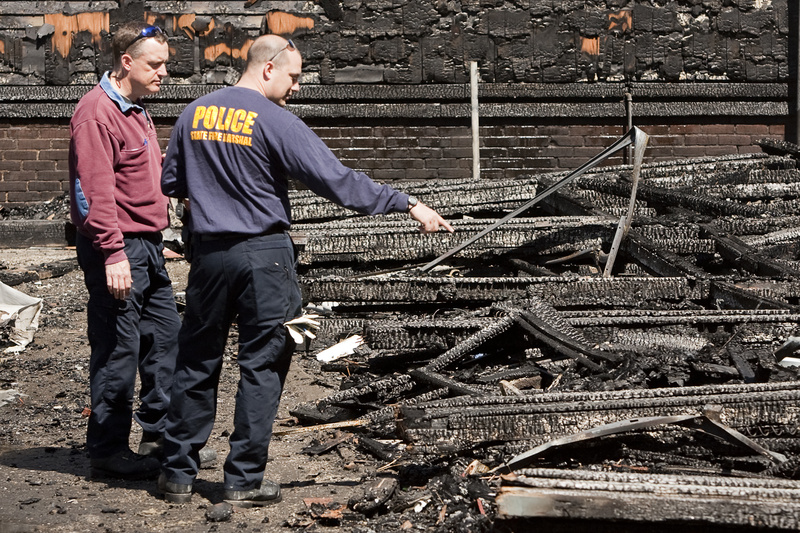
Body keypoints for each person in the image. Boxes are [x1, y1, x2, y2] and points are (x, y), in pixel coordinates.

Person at [157, 34, 453, 505]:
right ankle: (242, 481)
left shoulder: (194, 112)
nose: (297, 86)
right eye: (294, 76)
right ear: (268, 68)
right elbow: (337, 181)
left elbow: (170, 180)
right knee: (264, 364)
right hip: (265, 256)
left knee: (196, 359)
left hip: (208, 256)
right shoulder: (275, 120)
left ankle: (176, 474)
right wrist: (406, 203)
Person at [69, 21, 178, 479]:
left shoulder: (136, 107)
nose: (164, 73)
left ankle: (156, 435)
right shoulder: (97, 113)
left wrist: (160, 233)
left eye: (166, 64)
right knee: (118, 349)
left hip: (146, 245)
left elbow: (142, 178)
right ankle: (108, 450)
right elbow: (92, 193)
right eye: (156, 65)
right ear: (126, 62)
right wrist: (114, 252)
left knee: (166, 336)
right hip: (119, 250)